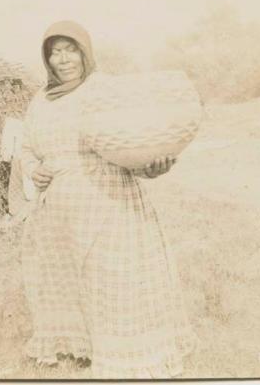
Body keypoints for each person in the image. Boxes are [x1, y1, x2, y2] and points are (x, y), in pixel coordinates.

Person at [20, 20, 196, 378]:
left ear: (86, 53)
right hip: (58, 209)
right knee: (69, 280)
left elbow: (135, 139)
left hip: (108, 200)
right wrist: (32, 169)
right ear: (46, 59)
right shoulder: (40, 100)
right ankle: (79, 347)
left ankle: (127, 355)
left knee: (113, 279)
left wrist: (152, 167)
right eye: (55, 52)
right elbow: (26, 147)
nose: (64, 59)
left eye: (71, 50)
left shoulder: (106, 90)